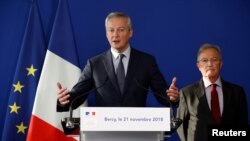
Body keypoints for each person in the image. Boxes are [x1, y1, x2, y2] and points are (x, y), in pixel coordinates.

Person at [57, 11, 179, 111]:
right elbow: (78, 95)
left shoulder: (146, 62)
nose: (115, 35)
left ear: (130, 32)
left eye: (121, 30)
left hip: (137, 130)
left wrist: (172, 97)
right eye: (111, 30)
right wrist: (65, 99)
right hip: (104, 132)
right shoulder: (94, 64)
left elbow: (162, 94)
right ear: (106, 34)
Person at [176, 43, 248, 141]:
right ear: (198, 66)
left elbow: (242, 125)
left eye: (214, 60)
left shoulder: (237, 92)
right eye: (204, 60)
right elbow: (181, 126)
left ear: (221, 64)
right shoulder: (187, 93)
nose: (209, 64)